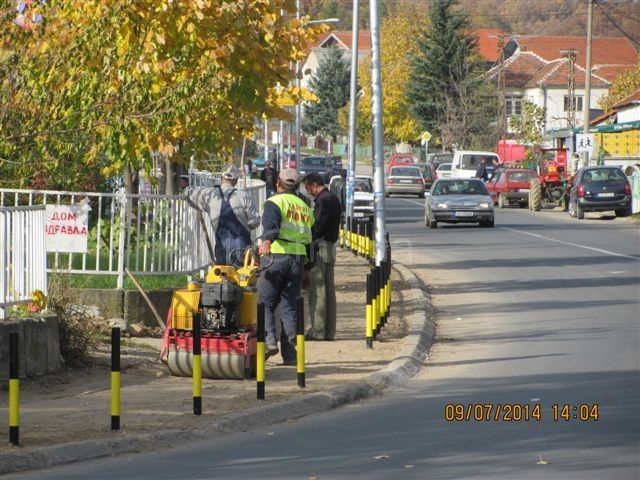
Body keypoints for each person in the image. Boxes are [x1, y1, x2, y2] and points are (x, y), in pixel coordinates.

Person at [258, 169, 315, 365]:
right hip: (298, 260)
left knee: (264, 302)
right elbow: (310, 240)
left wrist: (266, 241)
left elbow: (271, 226)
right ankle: (290, 355)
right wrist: (308, 268)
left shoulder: (275, 201)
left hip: (276, 256)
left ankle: (269, 341)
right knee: (289, 306)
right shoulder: (305, 206)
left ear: (278, 184)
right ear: (297, 186)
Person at [184, 164, 260, 266]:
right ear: (236, 180)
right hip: (242, 249)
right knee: (243, 277)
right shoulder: (243, 196)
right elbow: (255, 221)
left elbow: (188, 193)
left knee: (223, 276)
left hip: (221, 249)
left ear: (221, 178)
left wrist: (185, 187)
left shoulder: (209, 194)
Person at [303, 172, 342, 341]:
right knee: (329, 290)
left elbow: (317, 227)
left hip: (320, 247)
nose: (308, 192)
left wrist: (307, 245)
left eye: (308, 188)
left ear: (314, 185)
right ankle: (329, 331)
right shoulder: (333, 198)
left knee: (318, 291)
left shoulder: (322, 200)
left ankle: (318, 331)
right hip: (331, 247)